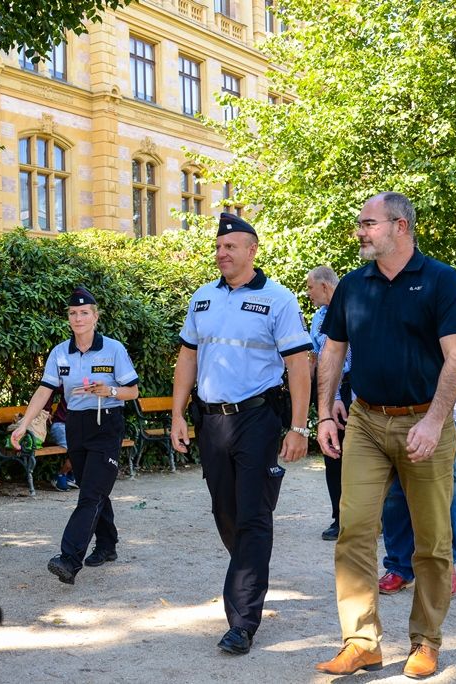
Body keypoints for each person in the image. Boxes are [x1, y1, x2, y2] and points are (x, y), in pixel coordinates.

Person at [314, 192, 456, 679]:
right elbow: (333, 349)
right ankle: (362, 643)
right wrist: (323, 414)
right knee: (354, 531)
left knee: (431, 540)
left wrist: (433, 420)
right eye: (360, 224)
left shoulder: (440, 280)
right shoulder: (352, 286)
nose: (360, 232)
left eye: (368, 223)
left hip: (425, 421)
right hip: (364, 420)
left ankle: (426, 641)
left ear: (400, 226)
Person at [170, 213, 312, 656]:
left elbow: (299, 366)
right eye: (218, 247)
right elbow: (187, 358)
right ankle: (249, 573)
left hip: (258, 420)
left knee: (252, 517)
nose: (222, 253)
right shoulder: (202, 299)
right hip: (213, 422)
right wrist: (178, 415)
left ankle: (243, 622)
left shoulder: (279, 299)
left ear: (252, 250)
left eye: (230, 246)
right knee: (225, 513)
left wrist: (298, 426)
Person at [10, 286, 139, 585]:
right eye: (73, 313)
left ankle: (69, 558)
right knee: (94, 488)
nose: (78, 318)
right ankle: (107, 546)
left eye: (84, 313)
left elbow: (133, 390)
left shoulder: (114, 349)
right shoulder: (60, 352)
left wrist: (109, 391)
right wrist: (23, 424)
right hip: (76, 425)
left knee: (91, 493)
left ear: (95, 317)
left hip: (106, 423)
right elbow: (44, 390)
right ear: (68, 318)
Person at [377, 309, 456, 597]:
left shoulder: (441, 289)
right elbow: (354, 351)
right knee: (394, 493)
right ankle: (399, 567)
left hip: (440, 413)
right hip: (383, 414)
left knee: (443, 491)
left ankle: (443, 566)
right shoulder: (374, 293)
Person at [306, 265, 350, 541]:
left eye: (310, 287)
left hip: (352, 390)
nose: (308, 293)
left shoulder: (352, 308)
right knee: (333, 456)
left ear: (325, 286)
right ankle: (339, 517)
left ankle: (371, 516)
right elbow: (316, 356)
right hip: (327, 391)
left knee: (360, 456)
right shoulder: (317, 319)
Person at [48, 394, 78, 492]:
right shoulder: (69, 381)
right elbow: (49, 390)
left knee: (88, 446)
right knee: (77, 449)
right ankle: (60, 475)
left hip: (77, 427)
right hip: (61, 425)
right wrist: (47, 410)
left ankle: (70, 476)